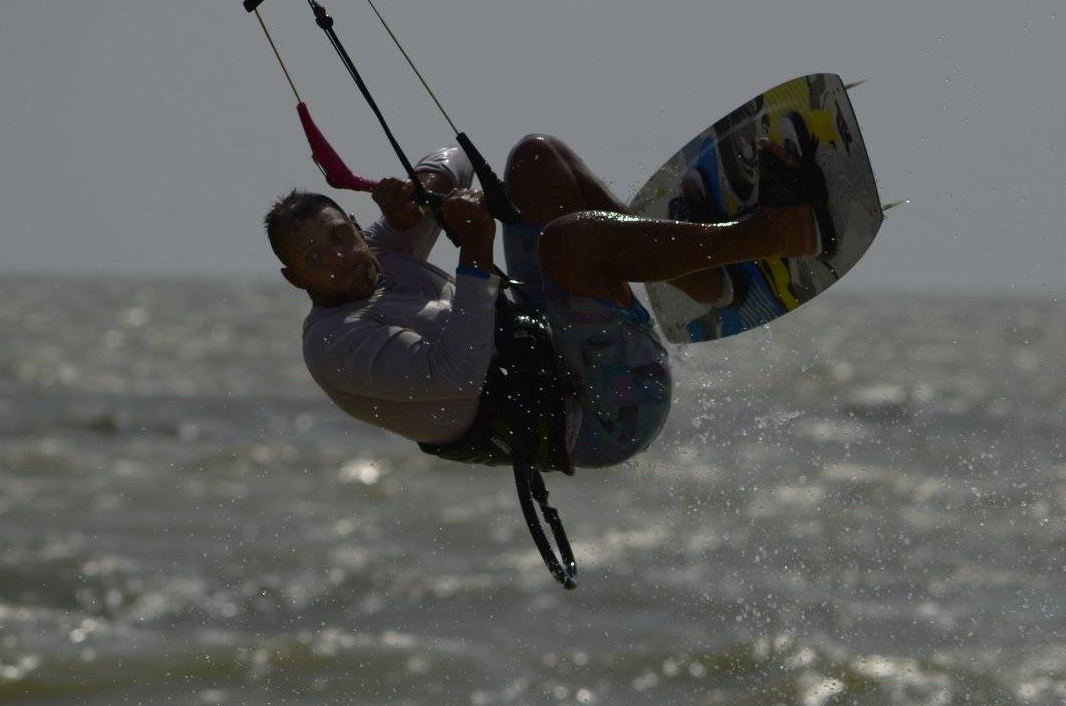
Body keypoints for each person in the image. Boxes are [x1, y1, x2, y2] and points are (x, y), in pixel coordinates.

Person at [266, 134, 829, 468]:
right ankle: (779, 232)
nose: (338, 257)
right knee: (568, 242)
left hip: (554, 338)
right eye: (315, 257)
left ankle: (704, 282)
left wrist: (422, 187)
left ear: (355, 228)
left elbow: (454, 159)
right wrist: (476, 250)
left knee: (535, 158)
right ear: (295, 279)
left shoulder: (379, 255)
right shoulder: (337, 343)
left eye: (339, 237)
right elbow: (456, 373)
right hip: (601, 412)